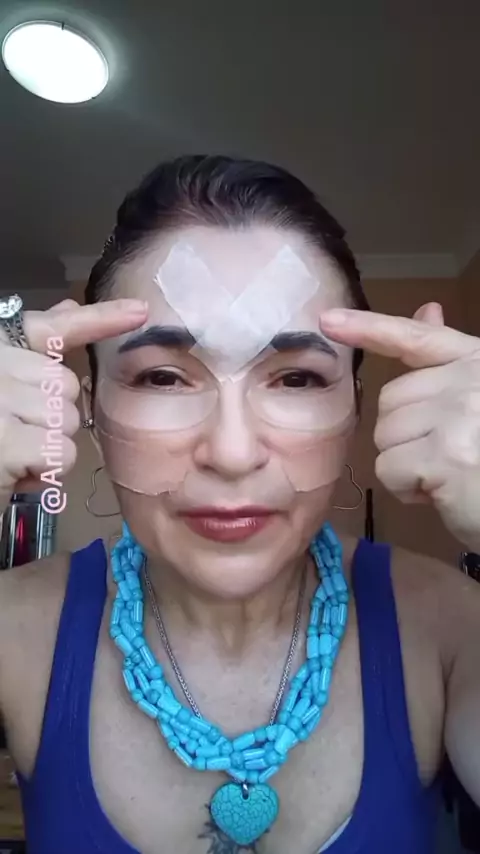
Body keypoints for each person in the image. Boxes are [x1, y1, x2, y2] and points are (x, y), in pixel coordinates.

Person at [0, 155, 478, 854]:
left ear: (354, 409)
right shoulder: (14, 630)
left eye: (296, 378)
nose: (231, 452)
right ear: (91, 409)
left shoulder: (451, 625)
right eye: (163, 377)